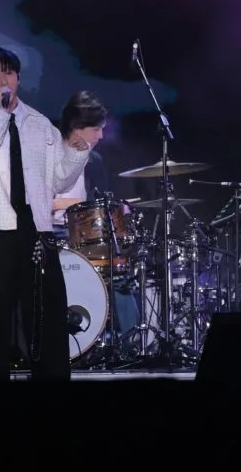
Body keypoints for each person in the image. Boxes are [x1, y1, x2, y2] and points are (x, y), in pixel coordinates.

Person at [0, 47, 90, 381]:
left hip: (36, 230)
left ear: (18, 77)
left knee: (46, 320)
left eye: (9, 72)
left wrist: (77, 153)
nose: (3, 80)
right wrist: (1, 116)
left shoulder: (40, 124)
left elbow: (58, 180)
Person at [52, 91, 140, 349]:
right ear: (76, 127)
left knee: (120, 273)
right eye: (96, 129)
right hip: (52, 234)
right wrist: (74, 206)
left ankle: (133, 345)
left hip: (86, 237)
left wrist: (118, 210)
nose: (101, 136)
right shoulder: (48, 155)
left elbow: (99, 202)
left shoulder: (95, 161)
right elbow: (35, 203)